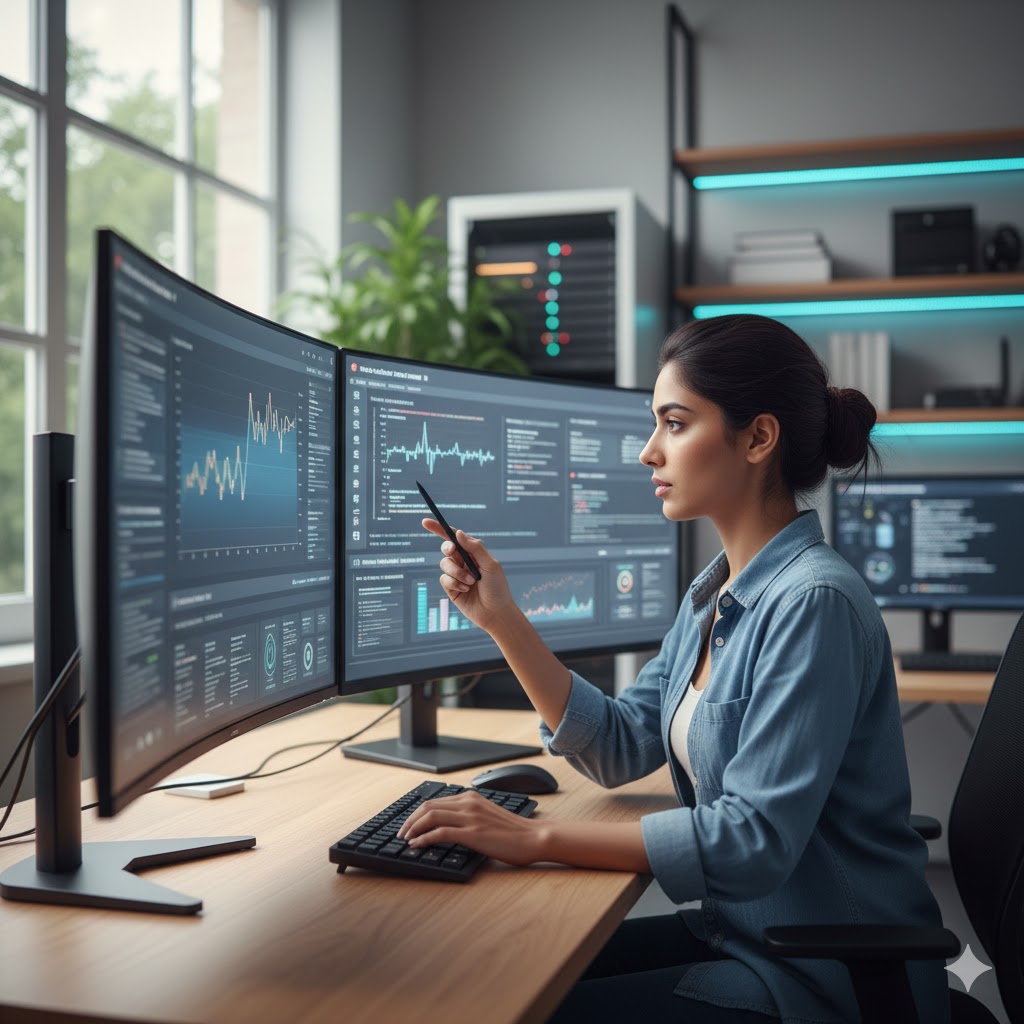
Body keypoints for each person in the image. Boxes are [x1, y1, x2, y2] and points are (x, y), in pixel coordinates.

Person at [397, 314, 949, 1024]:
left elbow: (752, 842)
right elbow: (621, 742)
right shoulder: (715, 595)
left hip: (823, 976)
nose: (647, 452)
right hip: (747, 934)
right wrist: (501, 617)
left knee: (520, 1007)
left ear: (757, 438)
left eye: (675, 423)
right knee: (495, 973)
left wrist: (535, 839)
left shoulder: (815, 603)